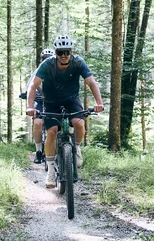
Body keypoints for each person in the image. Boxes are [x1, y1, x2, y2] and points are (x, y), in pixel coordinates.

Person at [26, 35, 104, 189]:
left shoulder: (78, 62)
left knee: (79, 124)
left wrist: (99, 103)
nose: (63, 56)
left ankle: (77, 147)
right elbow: (33, 86)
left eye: (66, 52)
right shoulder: (47, 65)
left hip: (71, 100)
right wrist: (30, 106)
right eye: (60, 52)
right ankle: (50, 171)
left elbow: (91, 82)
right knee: (52, 132)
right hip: (51, 102)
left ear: (71, 52)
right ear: (55, 52)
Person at [21, 48, 55, 164]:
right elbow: (30, 86)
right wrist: (26, 93)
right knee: (37, 123)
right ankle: (39, 151)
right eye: (45, 58)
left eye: (49, 58)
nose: (47, 60)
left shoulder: (59, 69)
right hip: (41, 101)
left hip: (56, 101)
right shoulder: (38, 71)